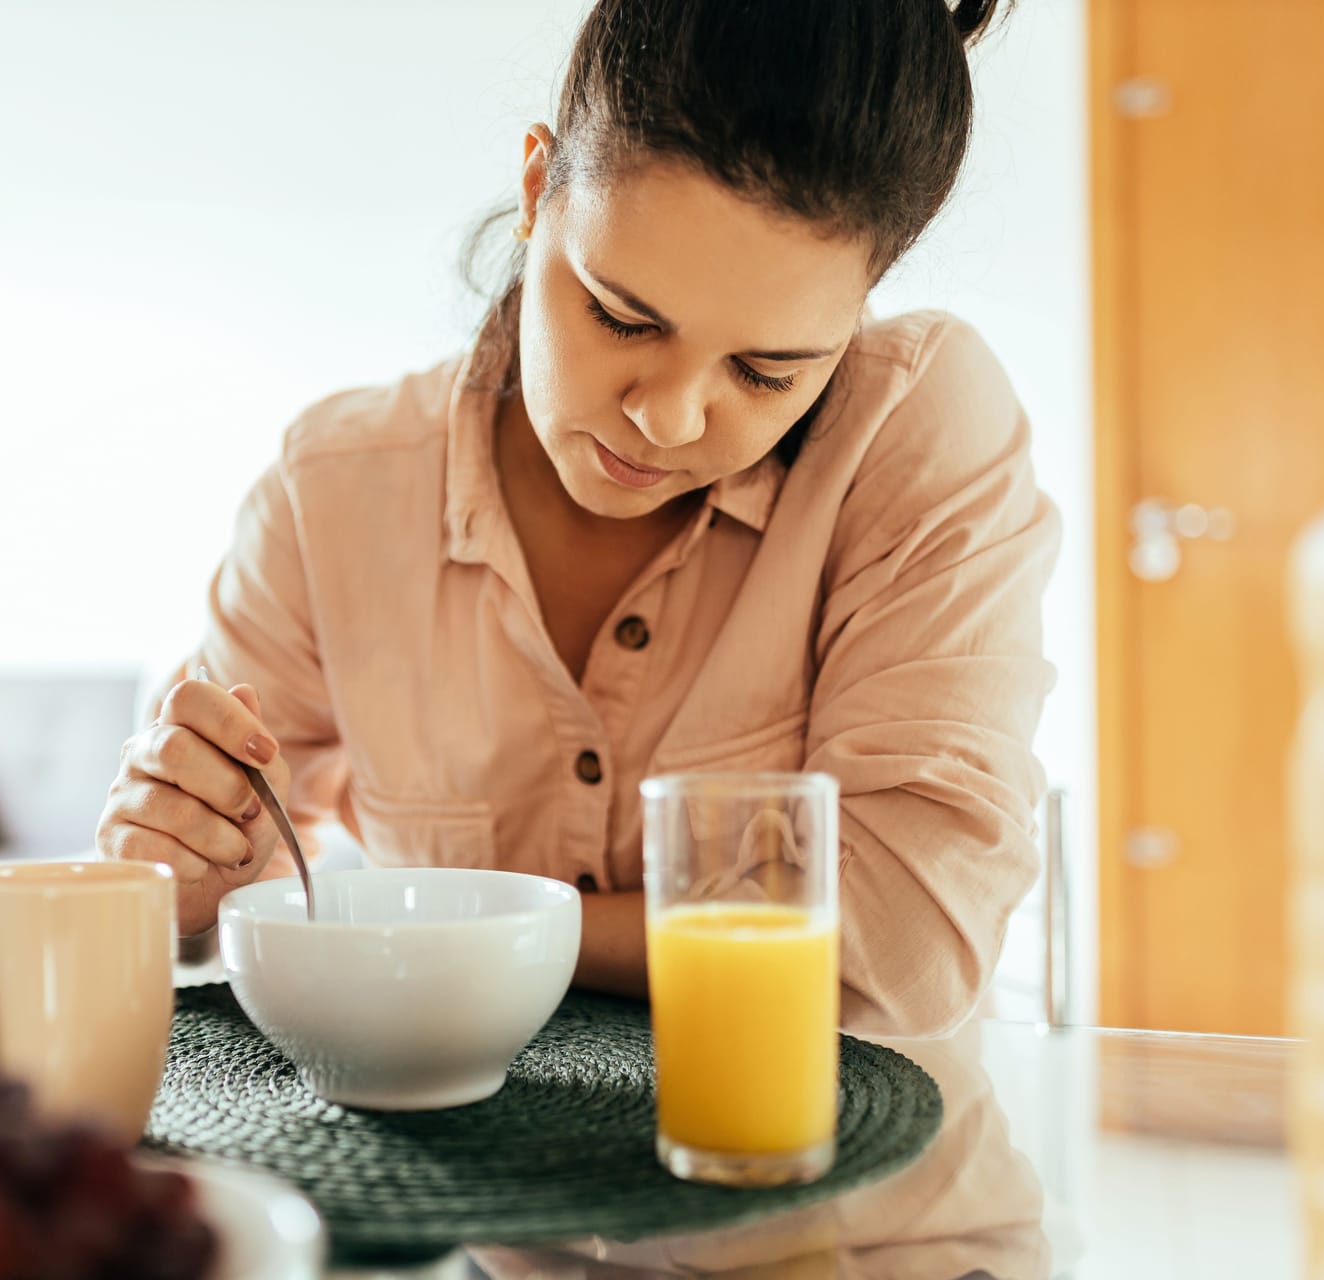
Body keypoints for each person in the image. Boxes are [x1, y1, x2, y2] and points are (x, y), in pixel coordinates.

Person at [98, 0, 1056, 1038]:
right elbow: (195, 889)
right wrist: (184, 869)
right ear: (533, 190)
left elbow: (910, 940)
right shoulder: (331, 491)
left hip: (808, 1169)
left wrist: (478, 923)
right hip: (454, 1174)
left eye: (769, 372)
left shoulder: (915, 421)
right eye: (621, 315)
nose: (669, 416)